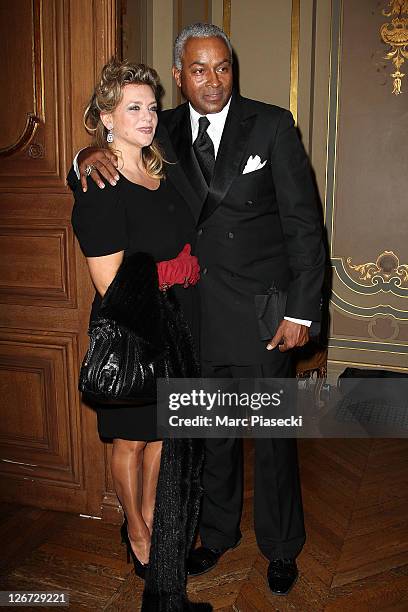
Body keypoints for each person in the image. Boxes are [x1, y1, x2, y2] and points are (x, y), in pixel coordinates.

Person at [75, 23, 326, 597]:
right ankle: (215, 533)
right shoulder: (159, 128)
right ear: (179, 76)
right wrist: (84, 153)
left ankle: (282, 547)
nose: (213, 81)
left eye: (222, 68)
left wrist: (302, 313)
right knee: (209, 435)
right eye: (198, 70)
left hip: (264, 315)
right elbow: (113, 150)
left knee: (272, 440)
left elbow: (305, 228)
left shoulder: (271, 125)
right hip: (192, 317)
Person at [69, 59, 211, 610]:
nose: (149, 116)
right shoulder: (99, 178)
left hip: (177, 328)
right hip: (133, 331)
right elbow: (111, 283)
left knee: (163, 440)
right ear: (107, 117)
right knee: (132, 439)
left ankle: (156, 519)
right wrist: (174, 272)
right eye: (134, 107)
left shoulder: (162, 167)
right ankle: (135, 529)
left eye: (152, 106)